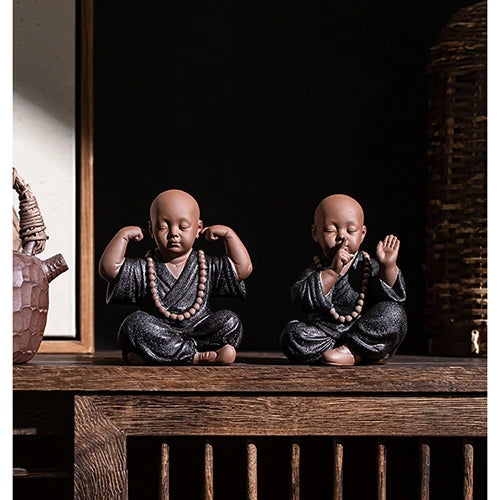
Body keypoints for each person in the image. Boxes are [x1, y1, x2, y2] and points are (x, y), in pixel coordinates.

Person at [99, 189, 253, 365]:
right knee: (134, 324)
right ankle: (196, 356)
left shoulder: (206, 265)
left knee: (230, 321)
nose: (173, 233)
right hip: (158, 330)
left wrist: (228, 235)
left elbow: (242, 269)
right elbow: (109, 270)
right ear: (151, 229)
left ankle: (155, 356)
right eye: (163, 226)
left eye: (183, 227)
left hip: (199, 330)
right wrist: (123, 236)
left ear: (198, 229)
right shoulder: (145, 267)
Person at [280, 194, 407, 366]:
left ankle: (353, 351)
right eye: (331, 230)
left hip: (363, 328)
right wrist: (332, 272)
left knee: (394, 313)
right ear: (315, 233)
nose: (342, 237)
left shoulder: (367, 265)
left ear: (362, 234)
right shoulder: (317, 267)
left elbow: (393, 297)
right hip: (326, 333)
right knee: (292, 334)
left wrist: (388, 266)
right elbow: (301, 297)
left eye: (351, 231)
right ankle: (360, 353)